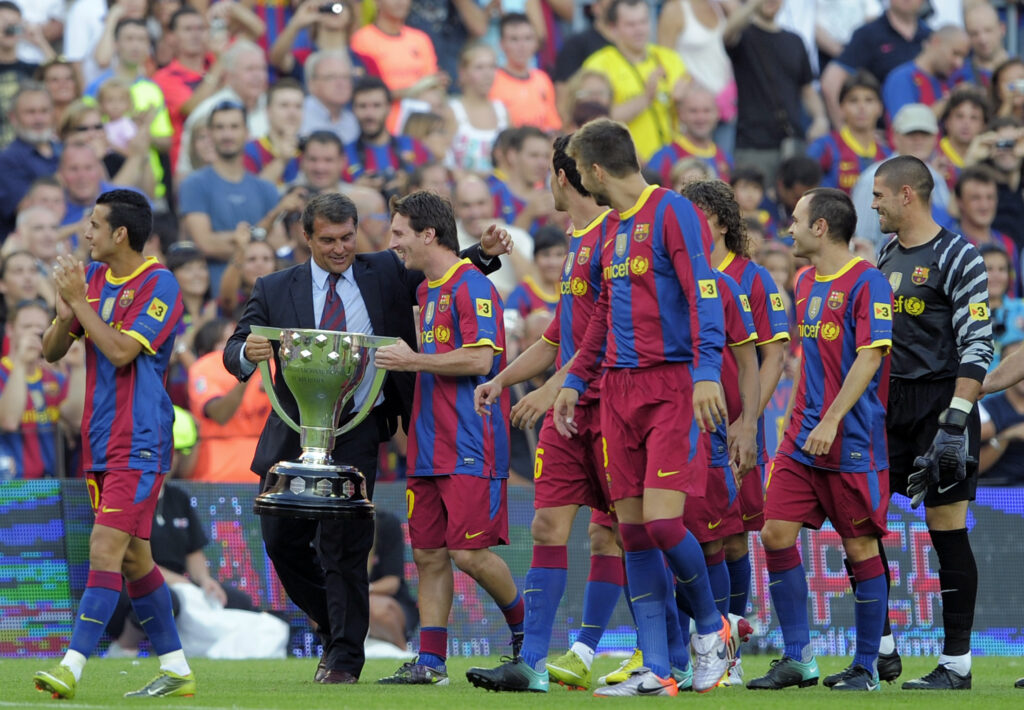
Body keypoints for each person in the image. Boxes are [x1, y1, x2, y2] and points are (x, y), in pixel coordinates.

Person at [222, 192, 510, 684]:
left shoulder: (387, 271)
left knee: (345, 546)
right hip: (294, 432)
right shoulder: (275, 287)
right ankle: (337, 625)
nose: (340, 249)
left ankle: (343, 659)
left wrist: (482, 253)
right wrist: (247, 352)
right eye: (328, 240)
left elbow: (441, 265)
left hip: (358, 426)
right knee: (280, 541)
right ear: (306, 237)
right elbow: (234, 348)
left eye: (347, 238)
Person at [552, 118, 731, 696]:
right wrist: (575, 380)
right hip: (617, 392)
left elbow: (704, 292)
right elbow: (603, 315)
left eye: (579, 171)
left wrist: (706, 373)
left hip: (671, 386)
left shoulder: (674, 211)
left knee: (662, 523)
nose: (579, 181)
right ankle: (658, 669)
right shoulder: (610, 230)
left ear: (595, 170)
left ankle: (713, 630)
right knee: (632, 533)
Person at [462, 134, 617, 693]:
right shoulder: (576, 240)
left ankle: (689, 644)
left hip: (610, 406)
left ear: (563, 176)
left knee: (626, 535)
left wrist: (552, 388)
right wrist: (502, 379)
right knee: (548, 526)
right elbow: (559, 333)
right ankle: (532, 663)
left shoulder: (614, 236)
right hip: (567, 410)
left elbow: (610, 332)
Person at [33, 189, 193, 699]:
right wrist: (66, 310)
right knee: (134, 560)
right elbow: (52, 351)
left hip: (140, 439)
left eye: (94, 225)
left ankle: (71, 667)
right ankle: (177, 670)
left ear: (120, 233)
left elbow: (123, 351)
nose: (86, 233)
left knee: (104, 548)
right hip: (99, 439)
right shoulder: (94, 280)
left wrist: (81, 303)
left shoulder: (159, 283)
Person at [747, 187, 894, 691]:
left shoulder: (868, 282)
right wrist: (794, 423)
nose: (788, 228)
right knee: (774, 533)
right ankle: (799, 658)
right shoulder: (806, 281)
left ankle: (866, 667)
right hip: (800, 439)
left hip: (850, 438)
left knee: (859, 547)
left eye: (795, 219)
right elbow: (810, 362)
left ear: (820, 227)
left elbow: (870, 356)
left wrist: (830, 420)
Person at [375, 190, 523, 687]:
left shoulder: (473, 286)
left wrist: (412, 360)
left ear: (428, 234)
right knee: (429, 555)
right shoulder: (425, 290)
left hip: (470, 441)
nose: (393, 243)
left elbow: (481, 359)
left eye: (399, 233)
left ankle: (528, 637)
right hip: (427, 443)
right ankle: (431, 662)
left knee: (469, 553)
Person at [870, 154, 993, 689]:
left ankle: (956, 664)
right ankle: (879, 646)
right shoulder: (886, 252)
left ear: (907, 195)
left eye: (879, 194)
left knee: (946, 531)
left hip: (943, 405)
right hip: (890, 404)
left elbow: (978, 345)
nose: (872, 204)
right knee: (861, 519)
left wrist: (954, 424)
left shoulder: (960, 256)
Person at [680, 178, 791, 685]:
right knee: (680, 534)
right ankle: (697, 643)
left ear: (721, 222)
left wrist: (747, 422)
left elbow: (773, 357)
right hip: (681, 428)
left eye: (696, 216)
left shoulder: (752, 277)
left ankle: (728, 649)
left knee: (731, 540)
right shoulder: (677, 273)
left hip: (734, 429)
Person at [582, 0, 688, 162]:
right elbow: (595, 121)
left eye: (643, 22)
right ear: (613, 29)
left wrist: (683, 100)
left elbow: (694, 111)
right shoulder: (598, 65)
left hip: (671, 163)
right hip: (625, 165)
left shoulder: (669, 58)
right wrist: (646, 98)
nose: (639, 30)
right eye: (630, 25)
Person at [0, 298, 84, 479]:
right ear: (10, 329)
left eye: (40, 328)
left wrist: (78, 368)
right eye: (27, 327)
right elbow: (9, 421)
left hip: (49, 485)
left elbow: (77, 421)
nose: (34, 333)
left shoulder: (54, 378)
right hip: (8, 487)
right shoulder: (2, 373)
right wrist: (21, 363)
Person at [819, 0, 931, 126]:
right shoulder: (868, 35)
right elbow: (831, 82)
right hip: (879, 132)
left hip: (925, 130)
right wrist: (843, 131)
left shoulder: (930, 37)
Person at [807, 71, 890, 194]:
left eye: (869, 100)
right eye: (853, 100)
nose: (861, 107)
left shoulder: (886, 155)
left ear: (880, 108)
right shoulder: (824, 147)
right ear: (841, 108)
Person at [0, 83, 59, 239]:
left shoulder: (64, 150)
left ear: (53, 114)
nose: (38, 119)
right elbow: (29, 211)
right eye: (30, 112)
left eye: (44, 111)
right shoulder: (6, 160)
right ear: (13, 117)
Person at [647, 84, 732, 187]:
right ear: (681, 114)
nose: (701, 117)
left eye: (707, 111)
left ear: (717, 114)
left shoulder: (725, 158)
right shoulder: (664, 157)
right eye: (693, 111)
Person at [488, 13, 560, 133]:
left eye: (527, 38)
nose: (522, 46)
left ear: (535, 43)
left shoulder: (542, 79)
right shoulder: (491, 80)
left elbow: (552, 126)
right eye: (514, 39)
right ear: (502, 44)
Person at [881, 25, 968, 121]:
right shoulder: (902, 79)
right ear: (936, 42)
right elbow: (907, 124)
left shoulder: (952, 81)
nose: (959, 63)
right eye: (955, 53)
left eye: (963, 57)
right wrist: (949, 99)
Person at [448, 42, 509, 174]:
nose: (488, 74)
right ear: (463, 72)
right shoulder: (451, 110)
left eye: (492, 67)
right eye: (479, 68)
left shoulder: (502, 111)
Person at [242, 78, 304, 187]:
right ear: (268, 111)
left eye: (298, 106)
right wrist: (282, 160)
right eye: (284, 105)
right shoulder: (249, 151)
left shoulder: (310, 151)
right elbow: (252, 193)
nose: (292, 113)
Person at [504, 225, 565, 319]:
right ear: (535, 258)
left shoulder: (568, 289)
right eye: (546, 255)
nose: (553, 262)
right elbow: (508, 325)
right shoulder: (521, 294)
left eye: (559, 255)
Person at [298, 50, 359, 143]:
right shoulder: (297, 114)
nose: (341, 83)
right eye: (331, 77)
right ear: (311, 84)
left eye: (346, 77)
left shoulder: (352, 121)